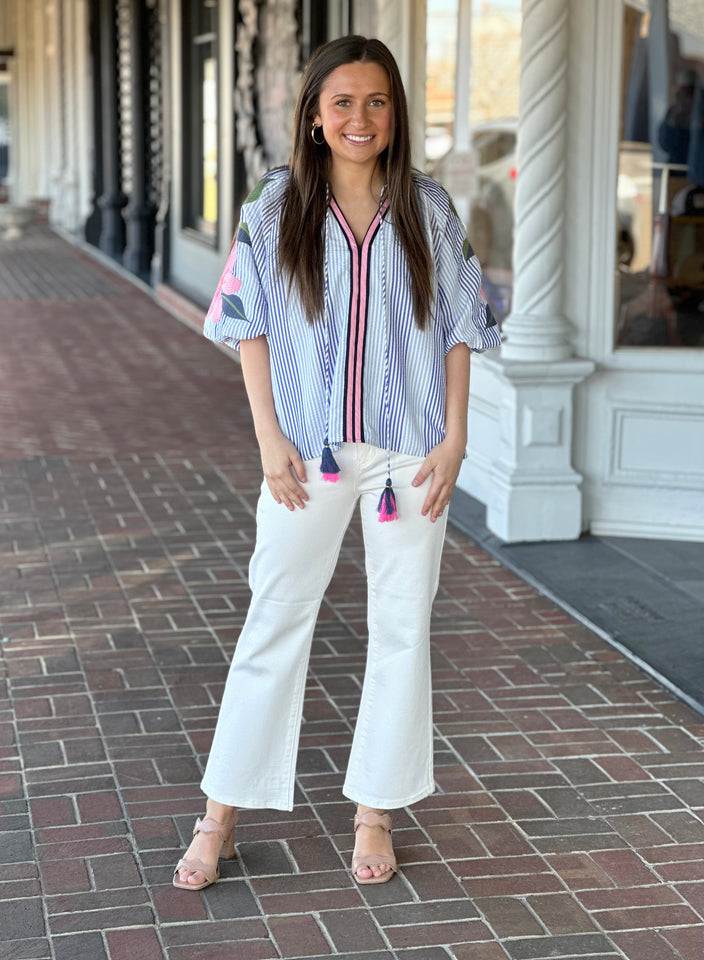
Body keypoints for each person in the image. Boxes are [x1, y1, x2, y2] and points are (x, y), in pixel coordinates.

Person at [172, 35, 500, 892]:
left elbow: (463, 328)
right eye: (344, 102)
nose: (361, 118)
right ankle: (220, 815)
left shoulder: (431, 208)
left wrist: (455, 440)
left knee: (402, 627)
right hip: (306, 453)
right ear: (315, 115)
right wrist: (267, 438)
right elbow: (244, 321)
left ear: (395, 114)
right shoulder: (274, 205)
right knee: (274, 617)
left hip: (409, 454)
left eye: (378, 102)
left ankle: (375, 812)